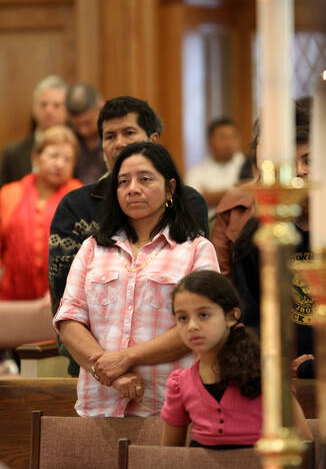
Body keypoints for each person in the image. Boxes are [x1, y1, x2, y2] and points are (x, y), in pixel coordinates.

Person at [53, 142, 219, 417]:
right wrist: (110, 374)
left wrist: (127, 358)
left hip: (171, 408)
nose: (132, 188)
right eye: (123, 181)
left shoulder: (196, 250)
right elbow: (70, 320)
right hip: (99, 407)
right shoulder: (93, 247)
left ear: (170, 188)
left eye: (145, 179)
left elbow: (202, 324)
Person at [49, 96, 209, 377]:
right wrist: (105, 364)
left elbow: (197, 302)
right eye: (109, 136)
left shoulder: (188, 202)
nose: (119, 143)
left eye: (129, 132)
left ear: (154, 140)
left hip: (171, 366)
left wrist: (127, 358)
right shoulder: (75, 207)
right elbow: (66, 299)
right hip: (92, 363)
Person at [211, 119, 315, 378]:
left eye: (310, 160)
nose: (300, 171)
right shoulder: (256, 236)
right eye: (290, 164)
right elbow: (250, 316)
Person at [161, 270, 312, 448]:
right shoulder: (180, 383)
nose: (192, 326)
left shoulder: (267, 375)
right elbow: (169, 456)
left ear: (232, 316)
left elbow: (305, 443)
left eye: (203, 315)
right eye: (183, 318)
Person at [0, 125, 81, 301]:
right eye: (54, 156)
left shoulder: (79, 197)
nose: (60, 164)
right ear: (36, 158)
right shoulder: (9, 194)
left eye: (68, 159)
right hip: (11, 299)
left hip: (64, 299)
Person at [0, 75, 68, 187]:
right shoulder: (12, 154)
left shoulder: (78, 148)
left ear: (67, 110)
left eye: (56, 105)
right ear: (34, 108)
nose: (49, 110)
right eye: (43, 104)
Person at [185, 118, 246, 218]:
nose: (228, 143)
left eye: (233, 137)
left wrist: (211, 196)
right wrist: (238, 191)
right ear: (210, 141)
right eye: (223, 137)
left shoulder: (248, 166)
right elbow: (194, 202)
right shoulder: (196, 172)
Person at [66, 83, 106, 184]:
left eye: (87, 123)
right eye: (77, 125)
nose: (83, 130)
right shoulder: (67, 138)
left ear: (101, 107)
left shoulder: (118, 137)